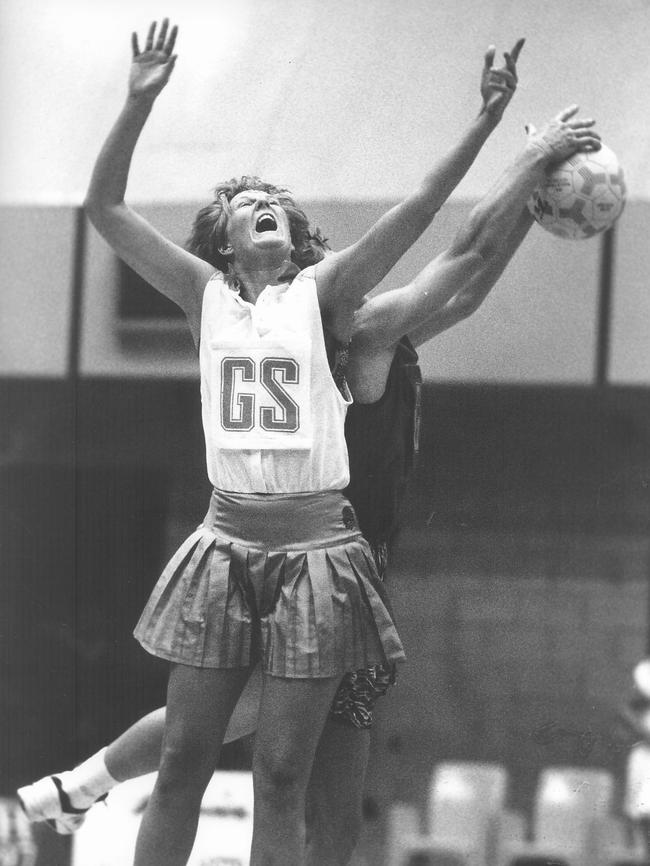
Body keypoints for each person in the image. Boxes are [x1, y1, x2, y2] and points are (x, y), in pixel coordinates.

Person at [18, 18, 600, 866]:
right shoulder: (220, 299)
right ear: (225, 244)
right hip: (233, 538)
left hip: (330, 556)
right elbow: (105, 208)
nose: (269, 212)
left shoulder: (337, 306)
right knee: (195, 748)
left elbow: (453, 250)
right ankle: (87, 783)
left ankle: (85, 783)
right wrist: (138, 102)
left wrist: (500, 145)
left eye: (280, 211)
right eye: (250, 208)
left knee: (299, 787)